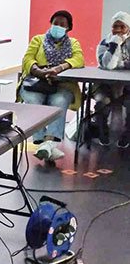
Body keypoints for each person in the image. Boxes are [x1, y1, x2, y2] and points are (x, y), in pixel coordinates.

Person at [17, 10, 84, 162]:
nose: (58, 26)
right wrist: (39, 71)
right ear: (50, 23)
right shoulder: (38, 40)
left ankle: (46, 144)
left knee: (59, 101)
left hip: (62, 84)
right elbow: (28, 58)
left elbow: (79, 59)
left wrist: (58, 69)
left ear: (69, 28)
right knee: (34, 101)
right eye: (55, 23)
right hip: (36, 82)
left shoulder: (73, 43)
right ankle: (46, 144)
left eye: (62, 24)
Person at [93, 11, 130, 148]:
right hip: (105, 85)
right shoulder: (104, 43)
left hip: (126, 87)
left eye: (122, 27)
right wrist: (115, 45)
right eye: (115, 27)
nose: (118, 30)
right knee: (101, 103)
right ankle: (103, 133)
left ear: (129, 29)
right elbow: (109, 65)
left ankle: (126, 135)